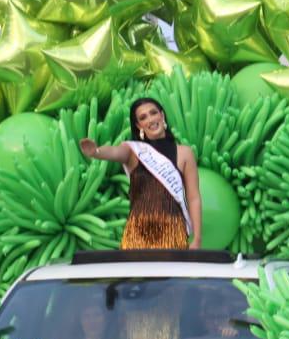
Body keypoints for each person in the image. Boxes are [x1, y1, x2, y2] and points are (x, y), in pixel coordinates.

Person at [80, 97, 203, 250]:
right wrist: (96, 152)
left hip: (173, 231)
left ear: (162, 116)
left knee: (171, 274)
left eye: (153, 113)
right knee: (136, 274)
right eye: (143, 117)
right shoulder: (133, 151)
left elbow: (193, 197)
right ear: (139, 125)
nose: (150, 119)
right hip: (138, 232)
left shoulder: (184, 153)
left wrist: (197, 239)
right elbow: (114, 152)